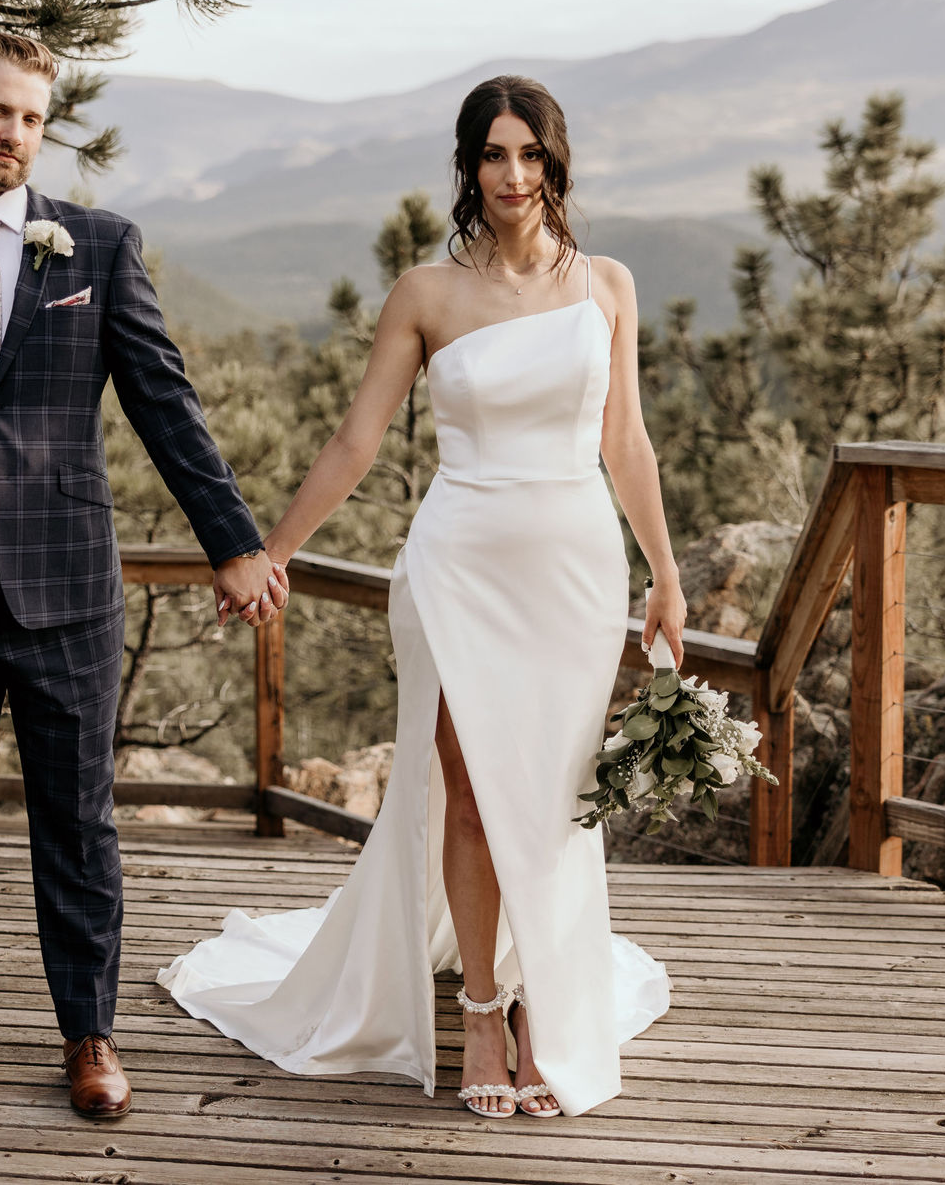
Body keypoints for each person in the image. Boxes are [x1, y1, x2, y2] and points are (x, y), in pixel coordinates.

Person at [157, 75, 682, 1119]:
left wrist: (665, 577)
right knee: (475, 789)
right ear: (467, 167)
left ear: (557, 162)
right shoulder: (425, 295)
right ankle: (483, 1010)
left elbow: (625, 442)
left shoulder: (609, 287)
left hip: (576, 566)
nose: (513, 175)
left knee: (559, 793)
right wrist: (270, 551)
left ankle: (546, 1005)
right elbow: (356, 441)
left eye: (529, 155)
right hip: (458, 564)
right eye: (493, 155)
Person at [0, 31, 287, 1124]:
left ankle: (89, 1036)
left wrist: (232, 540)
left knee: (77, 828)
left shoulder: (98, 247)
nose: (13, 134)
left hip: (66, 594)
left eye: (31, 118)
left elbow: (164, 407)